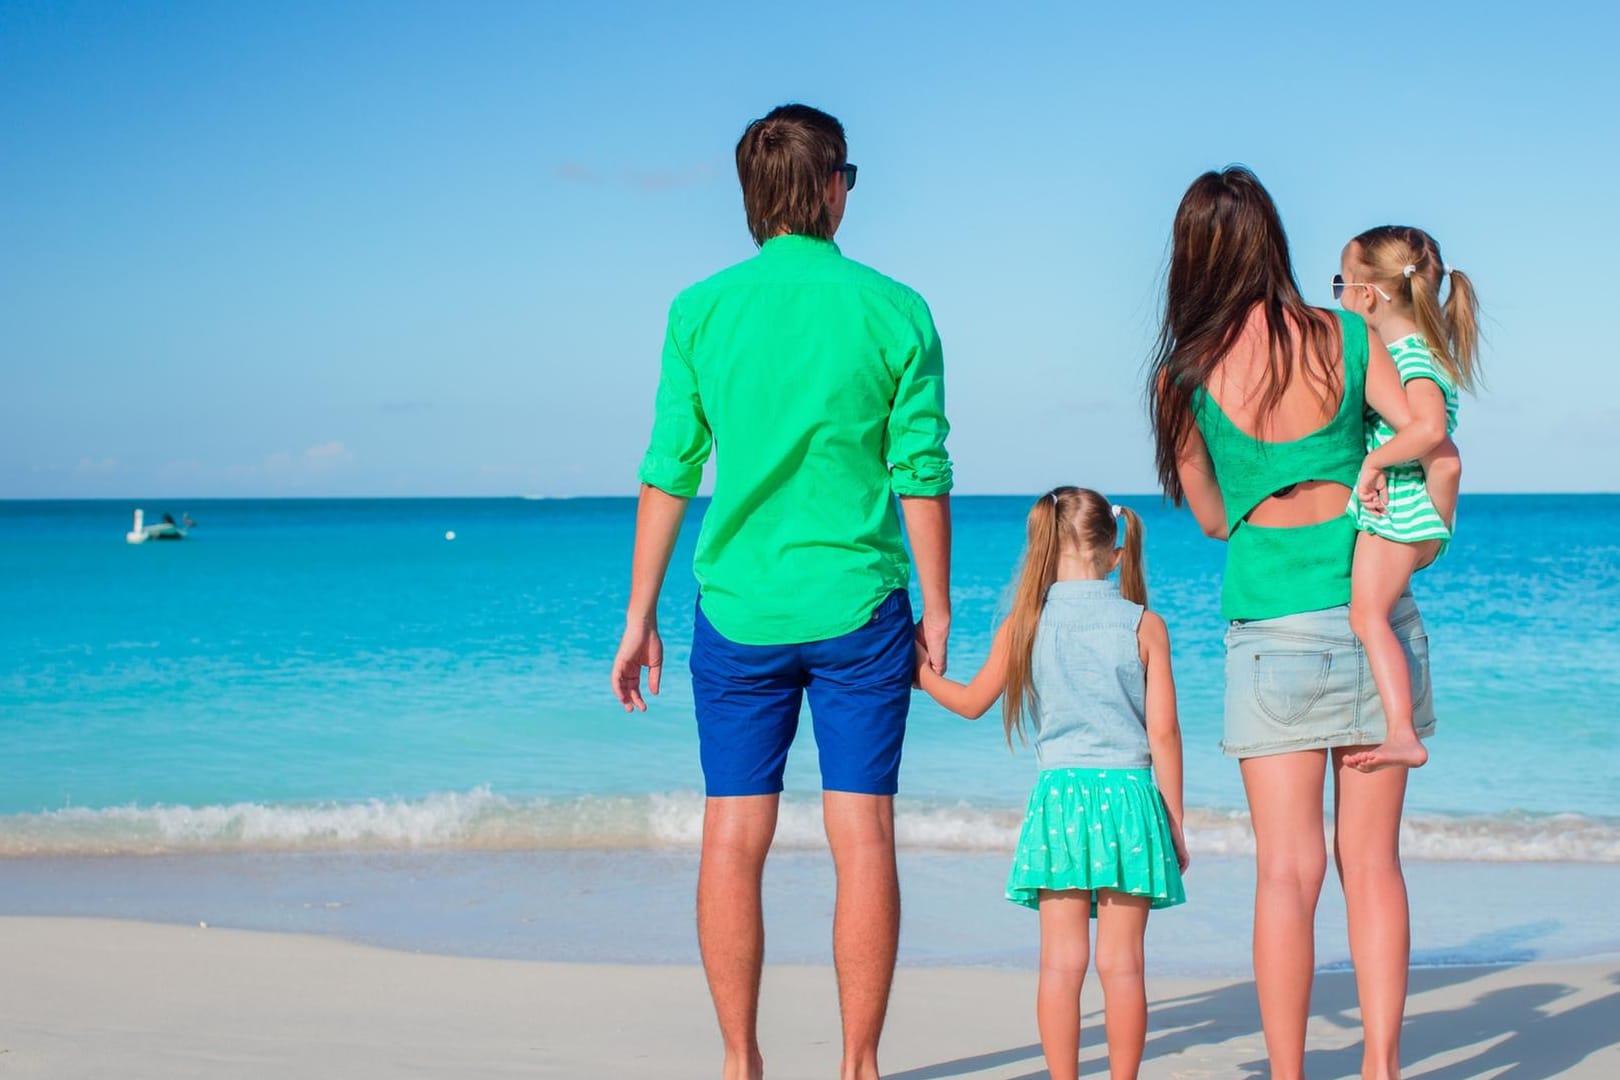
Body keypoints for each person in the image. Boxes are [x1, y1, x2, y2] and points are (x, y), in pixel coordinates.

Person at [609, 103, 952, 1080]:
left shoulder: (700, 309)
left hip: (738, 609)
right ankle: (857, 1066)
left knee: (732, 833)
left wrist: (638, 617)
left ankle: (738, 1061)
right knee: (863, 834)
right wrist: (938, 603)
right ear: (833, 187)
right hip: (860, 606)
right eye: (850, 176)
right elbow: (920, 470)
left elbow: (670, 470)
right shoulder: (896, 308)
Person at [1146, 167, 1435, 1080]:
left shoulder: (1183, 376)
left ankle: (1288, 1071)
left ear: (1192, 258)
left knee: (1287, 874)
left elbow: (1211, 518)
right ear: (1271, 239)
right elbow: (1423, 431)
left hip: (1272, 632)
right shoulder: (1346, 335)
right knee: (1373, 866)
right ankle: (1382, 1068)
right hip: (1374, 612)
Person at [915, 487, 1187, 1080]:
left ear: (1043, 546)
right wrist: (1175, 819)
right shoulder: (1145, 624)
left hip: (1060, 800)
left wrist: (918, 672)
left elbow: (969, 703)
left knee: (1060, 966)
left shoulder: (1025, 624)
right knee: (1124, 968)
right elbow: (1164, 734)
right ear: (1116, 553)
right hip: (1132, 800)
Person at [1336, 226, 1480, 772]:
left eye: (1342, 285)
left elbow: (1430, 430)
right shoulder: (1418, 348)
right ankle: (1400, 728)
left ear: (1367, 294)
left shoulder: (1408, 354)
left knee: (1368, 615)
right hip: (1406, 506)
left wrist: (1373, 463)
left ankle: (1401, 732)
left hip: (1399, 503)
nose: (1342, 298)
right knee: (1371, 614)